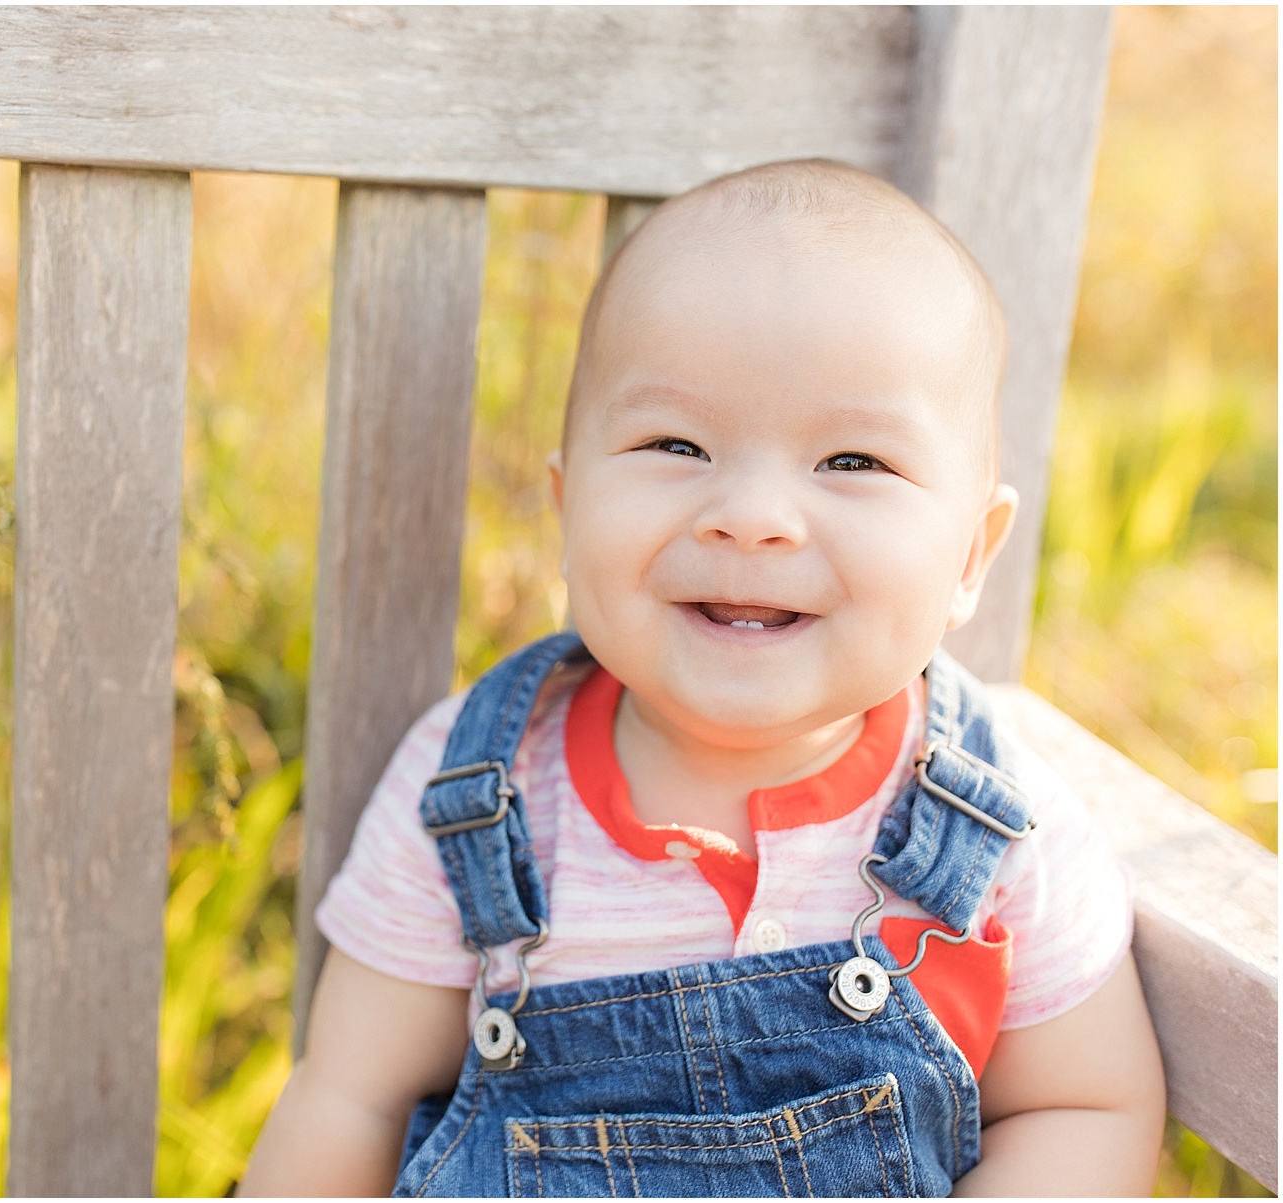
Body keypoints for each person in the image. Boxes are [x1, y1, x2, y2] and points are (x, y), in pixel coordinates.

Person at [240, 159, 1165, 1197]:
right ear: (565, 507)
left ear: (969, 557)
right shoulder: (481, 793)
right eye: (675, 443)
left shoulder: (1001, 828)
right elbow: (350, 1098)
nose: (754, 513)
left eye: (853, 462)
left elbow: (1084, 1106)